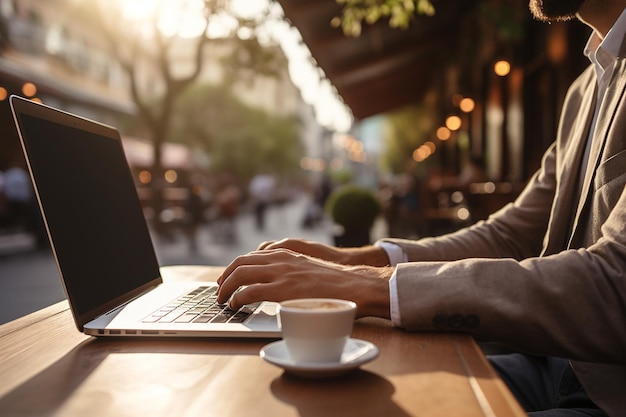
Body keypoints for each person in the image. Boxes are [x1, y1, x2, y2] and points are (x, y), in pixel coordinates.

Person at [217, 1, 626, 415]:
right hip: (553, 366)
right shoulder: (585, 89)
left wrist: (372, 284)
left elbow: (616, 283)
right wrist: (355, 260)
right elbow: (512, 234)